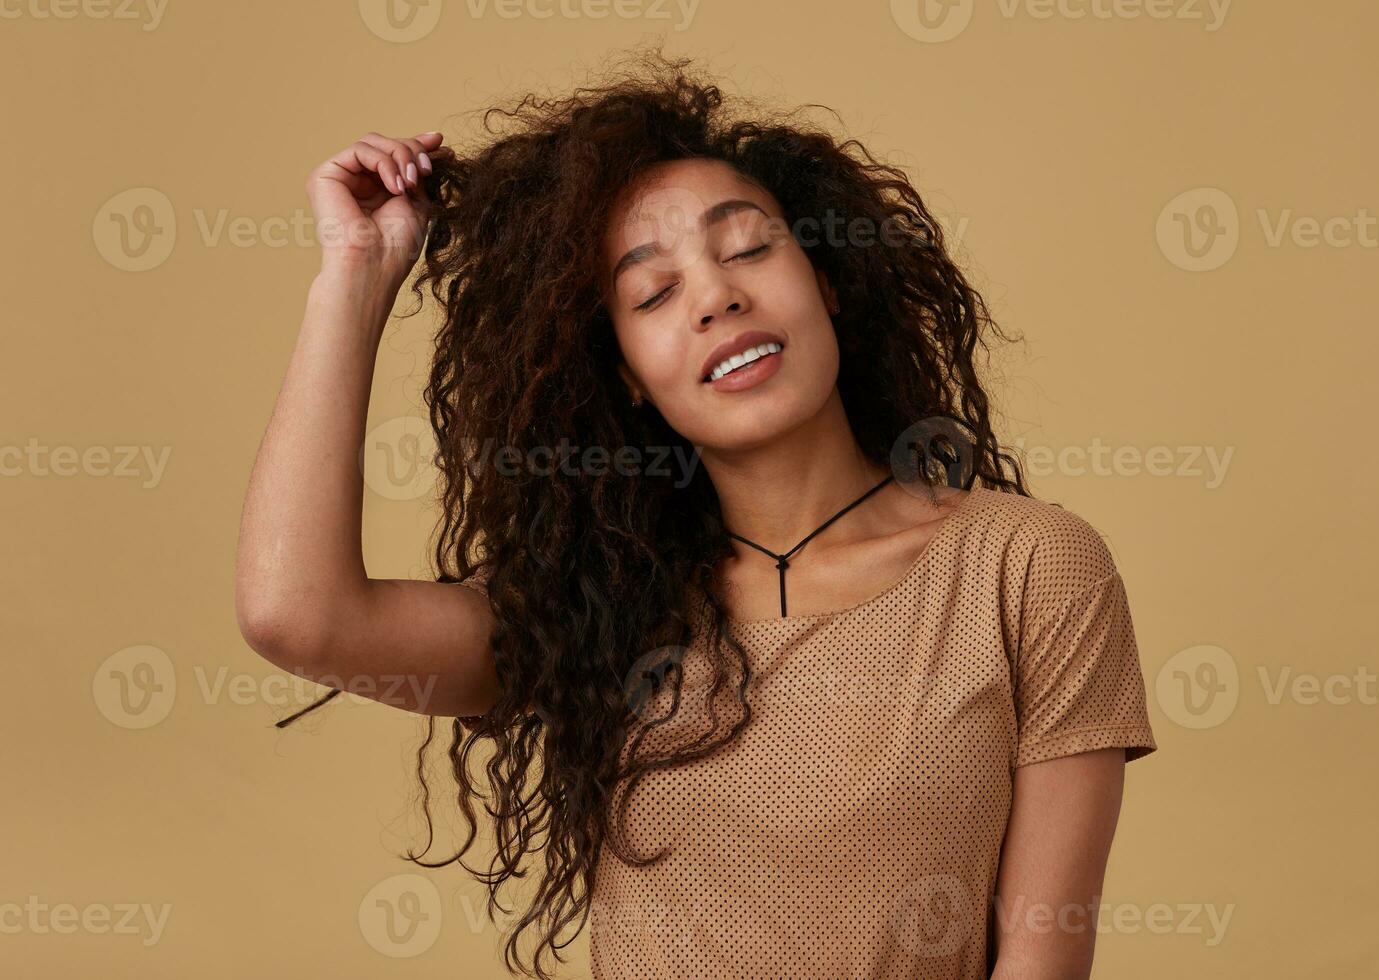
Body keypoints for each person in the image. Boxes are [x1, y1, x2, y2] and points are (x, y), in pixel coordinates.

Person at [235, 47, 1157, 980]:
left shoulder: (1027, 568)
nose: (718, 295)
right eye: (655, 292)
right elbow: (296, 615)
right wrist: (355, 275)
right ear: (628, 376)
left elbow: (1041, 960)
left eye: (750, 246)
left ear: (829, 281)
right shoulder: (592, 608)